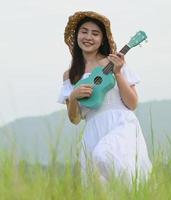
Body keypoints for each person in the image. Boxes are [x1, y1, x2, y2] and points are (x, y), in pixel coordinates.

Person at [57, 11, 152, 183]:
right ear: (77, 35)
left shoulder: (114, 62)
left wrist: (118, 73)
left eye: (95, 33)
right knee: (100, 183)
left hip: (121, 124)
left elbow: (132, 103)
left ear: (102, 39)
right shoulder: (70, 75)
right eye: (84, 31)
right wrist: (73, 97)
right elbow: (75, 119)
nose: (88, 37)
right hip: (94, 129)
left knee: (104, 155)